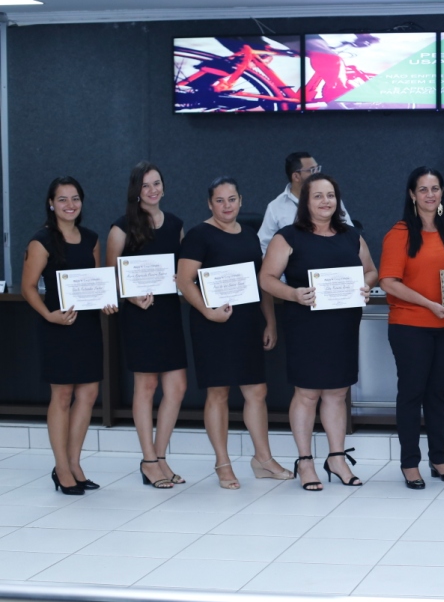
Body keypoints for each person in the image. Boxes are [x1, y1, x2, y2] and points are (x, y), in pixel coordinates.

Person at [259, 173, 377, 490]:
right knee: (308, 393)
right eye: (318, 196)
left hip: (342, 325)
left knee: (338, 392)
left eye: (330, 196)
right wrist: (294, 294)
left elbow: (371, 270)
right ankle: (305, 461)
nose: (326, 201)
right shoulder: (288, 237)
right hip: (306, 326)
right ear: (306, 202)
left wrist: (367, 286)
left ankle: (336, 458)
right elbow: (266, 278)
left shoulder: (351, 235)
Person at [177, 177, 292, 489]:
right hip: (212, 324)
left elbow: (261, 281)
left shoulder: (250, 235)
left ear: (241, 200)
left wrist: (269, 321)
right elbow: (184, 280)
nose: (226, 206)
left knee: (257, 391)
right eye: (219, 200)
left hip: (247, 323)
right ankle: (223, 463)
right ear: (209, 203)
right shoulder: (199, 235)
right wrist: (207, 311)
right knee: (219, 393)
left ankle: (263, 460)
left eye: (231, 199)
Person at [21, 177, 116, 495]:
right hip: (57, 325)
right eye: (62, 200)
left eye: (75, 199)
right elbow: (28, 287)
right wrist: (49, 315)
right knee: (61, 397)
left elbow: (97, 279)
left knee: (88, 394)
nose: (70, 205)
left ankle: (75, 463)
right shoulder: (42, 240)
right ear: (51, 203)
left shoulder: (91, 238)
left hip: (87, 325)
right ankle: (61, 468)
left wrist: (106, 299)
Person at [379, 167, 444, 489]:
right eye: (423, 189)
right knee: (412, 394)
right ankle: (409, 463)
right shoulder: (399, 233)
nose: (430, 195)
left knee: (437, 395)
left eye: (435, 188)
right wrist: (429, 305)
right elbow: (388, 281)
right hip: (411, 326)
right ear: (412, 195)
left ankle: (438, 459)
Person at [106, 162, 188, 489]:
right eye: (145, 185)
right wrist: (130, 296)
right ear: (136, 191)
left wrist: (181, 280)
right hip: (140, 316)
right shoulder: (121, 228)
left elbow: (183, 270)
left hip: (168, 313)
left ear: (164, 186)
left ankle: (160, 456)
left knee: (178, 387)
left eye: (157, 183)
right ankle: (148, 460)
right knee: (147, 387)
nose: (152, 190)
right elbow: (111, 276)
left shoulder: (177, 225)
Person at [258, 152, 352, 255]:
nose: (317, 173)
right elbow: (264, 245)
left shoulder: (329, 201)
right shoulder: (275, 207)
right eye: (312, 170)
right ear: (296, 176)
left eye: (318, 168)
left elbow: (350, 234)